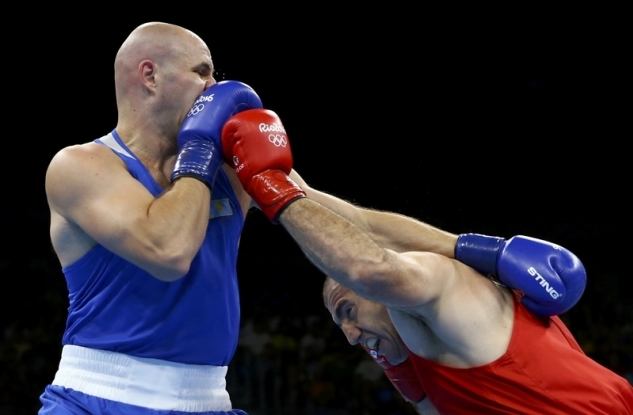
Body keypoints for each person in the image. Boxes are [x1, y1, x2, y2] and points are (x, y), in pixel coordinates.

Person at [218, 108, 633, 414]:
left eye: (348, 309)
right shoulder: (426, 359)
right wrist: (260, 170)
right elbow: (363, 222)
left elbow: (368, 267)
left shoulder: (440, 283)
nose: (348, 335)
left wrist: (268, 187)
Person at [39, 22, 266, 414]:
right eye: (202, 71)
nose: (215, 86)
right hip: (97, 399)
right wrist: (200, 147)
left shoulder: (229, 168)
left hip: (210, 400)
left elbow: (329, 215)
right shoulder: (79, 166)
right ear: (150, 76)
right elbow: (169, 252)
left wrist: (402, 258)